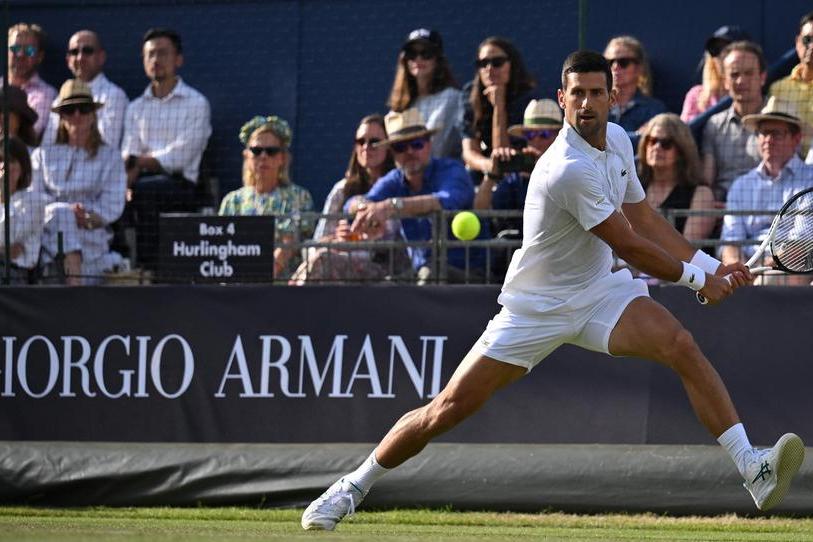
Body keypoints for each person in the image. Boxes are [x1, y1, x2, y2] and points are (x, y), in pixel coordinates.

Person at [301, 51, 804, 531]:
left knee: (681, 345)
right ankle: (351, 486)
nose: (586, 103)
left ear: (612, 98)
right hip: (536, 307)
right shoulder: (567, 167)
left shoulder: (621, 143)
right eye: (577, 93)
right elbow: (629, 243)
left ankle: (753, 468)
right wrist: (700, 281)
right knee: (447, 408)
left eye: (596, 93)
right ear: (562, 98)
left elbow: (643, 216)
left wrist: (714, 266)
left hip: (601, 290)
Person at [346, 108, 482, 282]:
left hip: (470, 275)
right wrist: (366, 210)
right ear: (392, 152)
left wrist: (392, 206)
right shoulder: (395, 179)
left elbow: (447, 200)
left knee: (428, 275)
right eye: (400, 147)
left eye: (417, 144)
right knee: (382, 293)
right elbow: (352, 203)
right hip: (421, 273)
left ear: (429, 143)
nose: (409, 152)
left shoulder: (452, 170)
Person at [122, 27, 212, 269]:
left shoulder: (197, 103)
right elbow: (128, 153)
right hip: (141, 184)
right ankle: (126, 273)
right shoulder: (135, 108)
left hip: (183, 186)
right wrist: (124, 186)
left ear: (178, 59)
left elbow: (181, 156)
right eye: (150, 55)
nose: (155, 60)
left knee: (146, 192)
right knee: (121, 197)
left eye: (162, 53)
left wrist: (139, 163)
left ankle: (151, 272)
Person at [290, 114, 411, 284]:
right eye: (361, 142)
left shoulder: (400, 186)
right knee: (321, 258)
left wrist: (368, 237)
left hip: (385, 269)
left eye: (374, 141)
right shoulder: (343, 189)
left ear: (388, 146)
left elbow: (402, 242)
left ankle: (286, 306)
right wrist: (338, 239)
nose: (367, 147)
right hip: (341, 265)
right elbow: (317, 243)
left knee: (323, 260)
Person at [31, 79, 126, 285]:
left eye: (83, 109)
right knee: (61, 214)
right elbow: (34, 198)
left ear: (93, 114)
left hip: (90, 235)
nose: (76, 116)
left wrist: (87, 216)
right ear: (61, 116)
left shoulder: (110, 157)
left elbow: (113, 205)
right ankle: (74, 287)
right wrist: (66, 211)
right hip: (46, 234)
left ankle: (71, 285)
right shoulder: (42, 155)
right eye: (69, 110)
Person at [720, 98, 813, 285]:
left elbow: (801, 245)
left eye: (776, 134)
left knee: (768, 281)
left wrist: (759, 274)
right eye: (763, 133)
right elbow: (731, 243)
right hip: (746, 272)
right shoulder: (741, 185)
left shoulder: (810, 179)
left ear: (796, 140)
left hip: (793, 267)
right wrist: (740, 272)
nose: (768, 140)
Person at [218, 115, 314, 279]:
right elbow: (222, 244)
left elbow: (290, 242)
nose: (263, 156)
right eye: (256, 151)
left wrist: (264, 275)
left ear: (282, 158)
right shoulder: (232, 201)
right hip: (237, 284)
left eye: (271, 151)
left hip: (284, 287)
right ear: (247, 156)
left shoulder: (299, 197)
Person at [474, 98, 563, 228]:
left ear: (558, 137)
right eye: (530, 134)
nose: (536, 141)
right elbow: (480, 211)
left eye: (544, 134)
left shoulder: (569, 168)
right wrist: (492, 174)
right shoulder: (516, 176)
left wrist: (540, 172)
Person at [462, 36, 536, 184]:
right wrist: (490, 166)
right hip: (486, 171)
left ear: (512, 65)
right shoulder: (470, 94)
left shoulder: (527, 99)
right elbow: (469, 153)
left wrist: (498, 105)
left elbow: (503, 154)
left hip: (519, 171)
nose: (489, 68)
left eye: (497, 62)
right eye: (483, 63)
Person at [388, 28, 465, 159]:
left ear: (438, 59)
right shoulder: (400, 105)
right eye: (412, 54)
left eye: (426, 53)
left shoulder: (451, 98)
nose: (418, 59)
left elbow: (436, 148)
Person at [702, 41, 764, 201]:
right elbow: (707, 181)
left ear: (762, 77)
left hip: (768, 208)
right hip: (721, 211)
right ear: (725, 81)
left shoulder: (780, 121)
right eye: (734, 74)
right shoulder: (714, 125)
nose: (741, 81)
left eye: (749, 73)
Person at [43, 30, 128, 148]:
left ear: (101, 57)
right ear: (68, 60)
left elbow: (108, 144)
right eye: (74, 52)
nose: (80, 57)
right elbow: (48, 145)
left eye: (87, 51)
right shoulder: (59, 100)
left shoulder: (114, 95)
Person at [638, 113, 716, 241]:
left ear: (681, 150)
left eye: (666, 143)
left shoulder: (701, 194)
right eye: (651, 141)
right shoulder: (632, 186)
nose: (657, 148)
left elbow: (688, 249)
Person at [681, 26, 751, 123]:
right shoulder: (696, 95)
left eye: (730, 50)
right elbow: (682, 134)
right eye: (717, 50)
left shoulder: (755, 96)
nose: (722, 55)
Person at [767, 11, 813, 157]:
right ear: (797, 42)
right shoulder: (778, 89)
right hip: (788, 168)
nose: (812, 46)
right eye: (807, 40)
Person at [0, 136, 45, 282]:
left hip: (14, 275)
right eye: (0, 160)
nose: (4, 166)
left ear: (22, 166)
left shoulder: (34, 201)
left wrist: (2, 195)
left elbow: (9, 236)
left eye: (11, 161)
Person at [603, 36, 666, 135]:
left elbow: (648, 145)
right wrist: (637, 134)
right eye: (609, 62)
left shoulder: (654, 109)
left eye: (623, 62)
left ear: (639, 68)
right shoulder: (596, 105)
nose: (615, 67)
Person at [5, 22, 57, 140]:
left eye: (29, 51)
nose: (20, 55)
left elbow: (29, 135)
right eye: (15, 48)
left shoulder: (47, 94)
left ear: (40, 57)